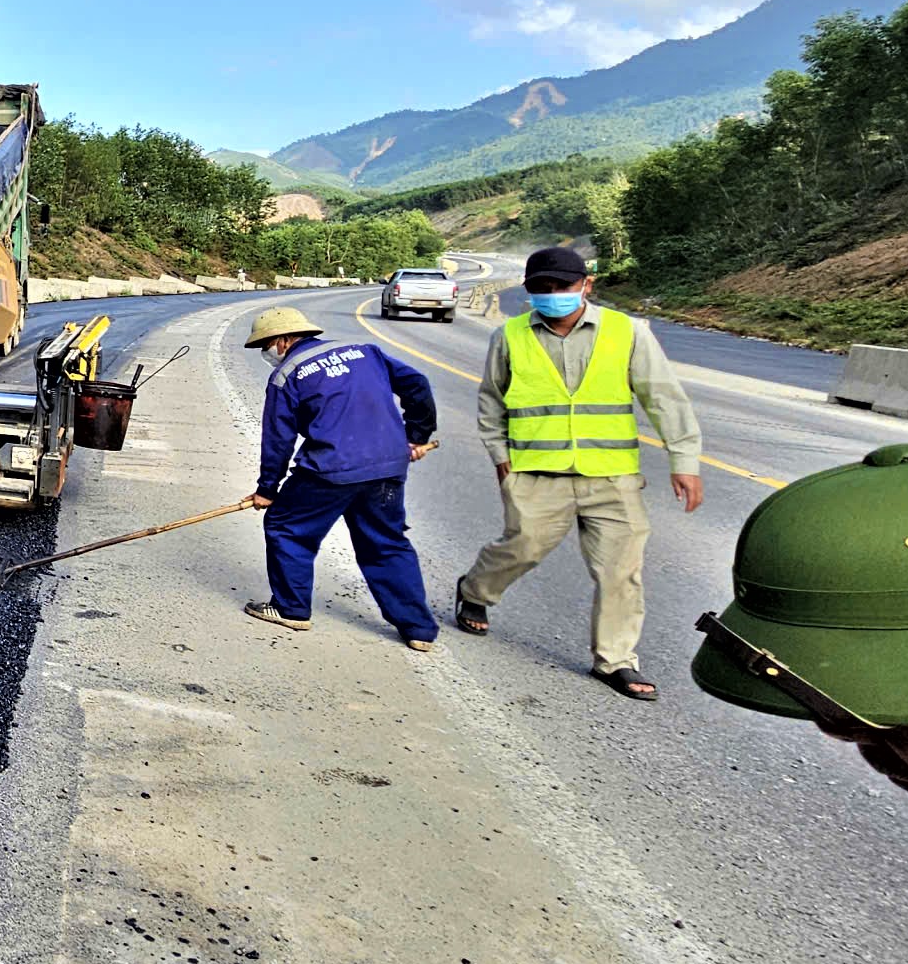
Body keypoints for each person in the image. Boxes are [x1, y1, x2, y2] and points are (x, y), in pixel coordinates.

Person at [454, 245, 702, 701]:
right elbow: (492, 399)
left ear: (586, 285)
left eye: (562, 287)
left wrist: (683, 461)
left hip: (612, 477)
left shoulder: (628, 332)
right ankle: (475, 590)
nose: (552, 296)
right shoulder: (509, 336)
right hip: (535, 471)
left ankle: (616, 660)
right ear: (529, 291)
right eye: (541, 289)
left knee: (620, 570)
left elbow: (664, 396)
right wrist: (498, 453)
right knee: (523, 547)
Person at [241, 305, 441, 650]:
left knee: (286, 526)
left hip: (330, 470)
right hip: (387, 466)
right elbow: (417, 385)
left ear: (283, 340)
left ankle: (290, 608)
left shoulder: (286, 374)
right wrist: (417, 435)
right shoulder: (364, 352)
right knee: (386, 543)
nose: (267, 353)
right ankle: (418, 629)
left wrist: (267, 490)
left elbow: (278, 438)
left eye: (266, 345)